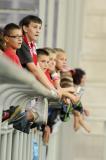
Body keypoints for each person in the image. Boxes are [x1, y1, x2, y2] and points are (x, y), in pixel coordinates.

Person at [17, 15, 57, 92]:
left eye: (39, 28)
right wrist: (52, 89)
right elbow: (34, 69)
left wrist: (52, 88)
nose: (38, 31)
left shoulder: (33, 45)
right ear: (25, 28)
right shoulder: (22, 43)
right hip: (22, 88)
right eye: (35, 27)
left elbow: (38, 68)